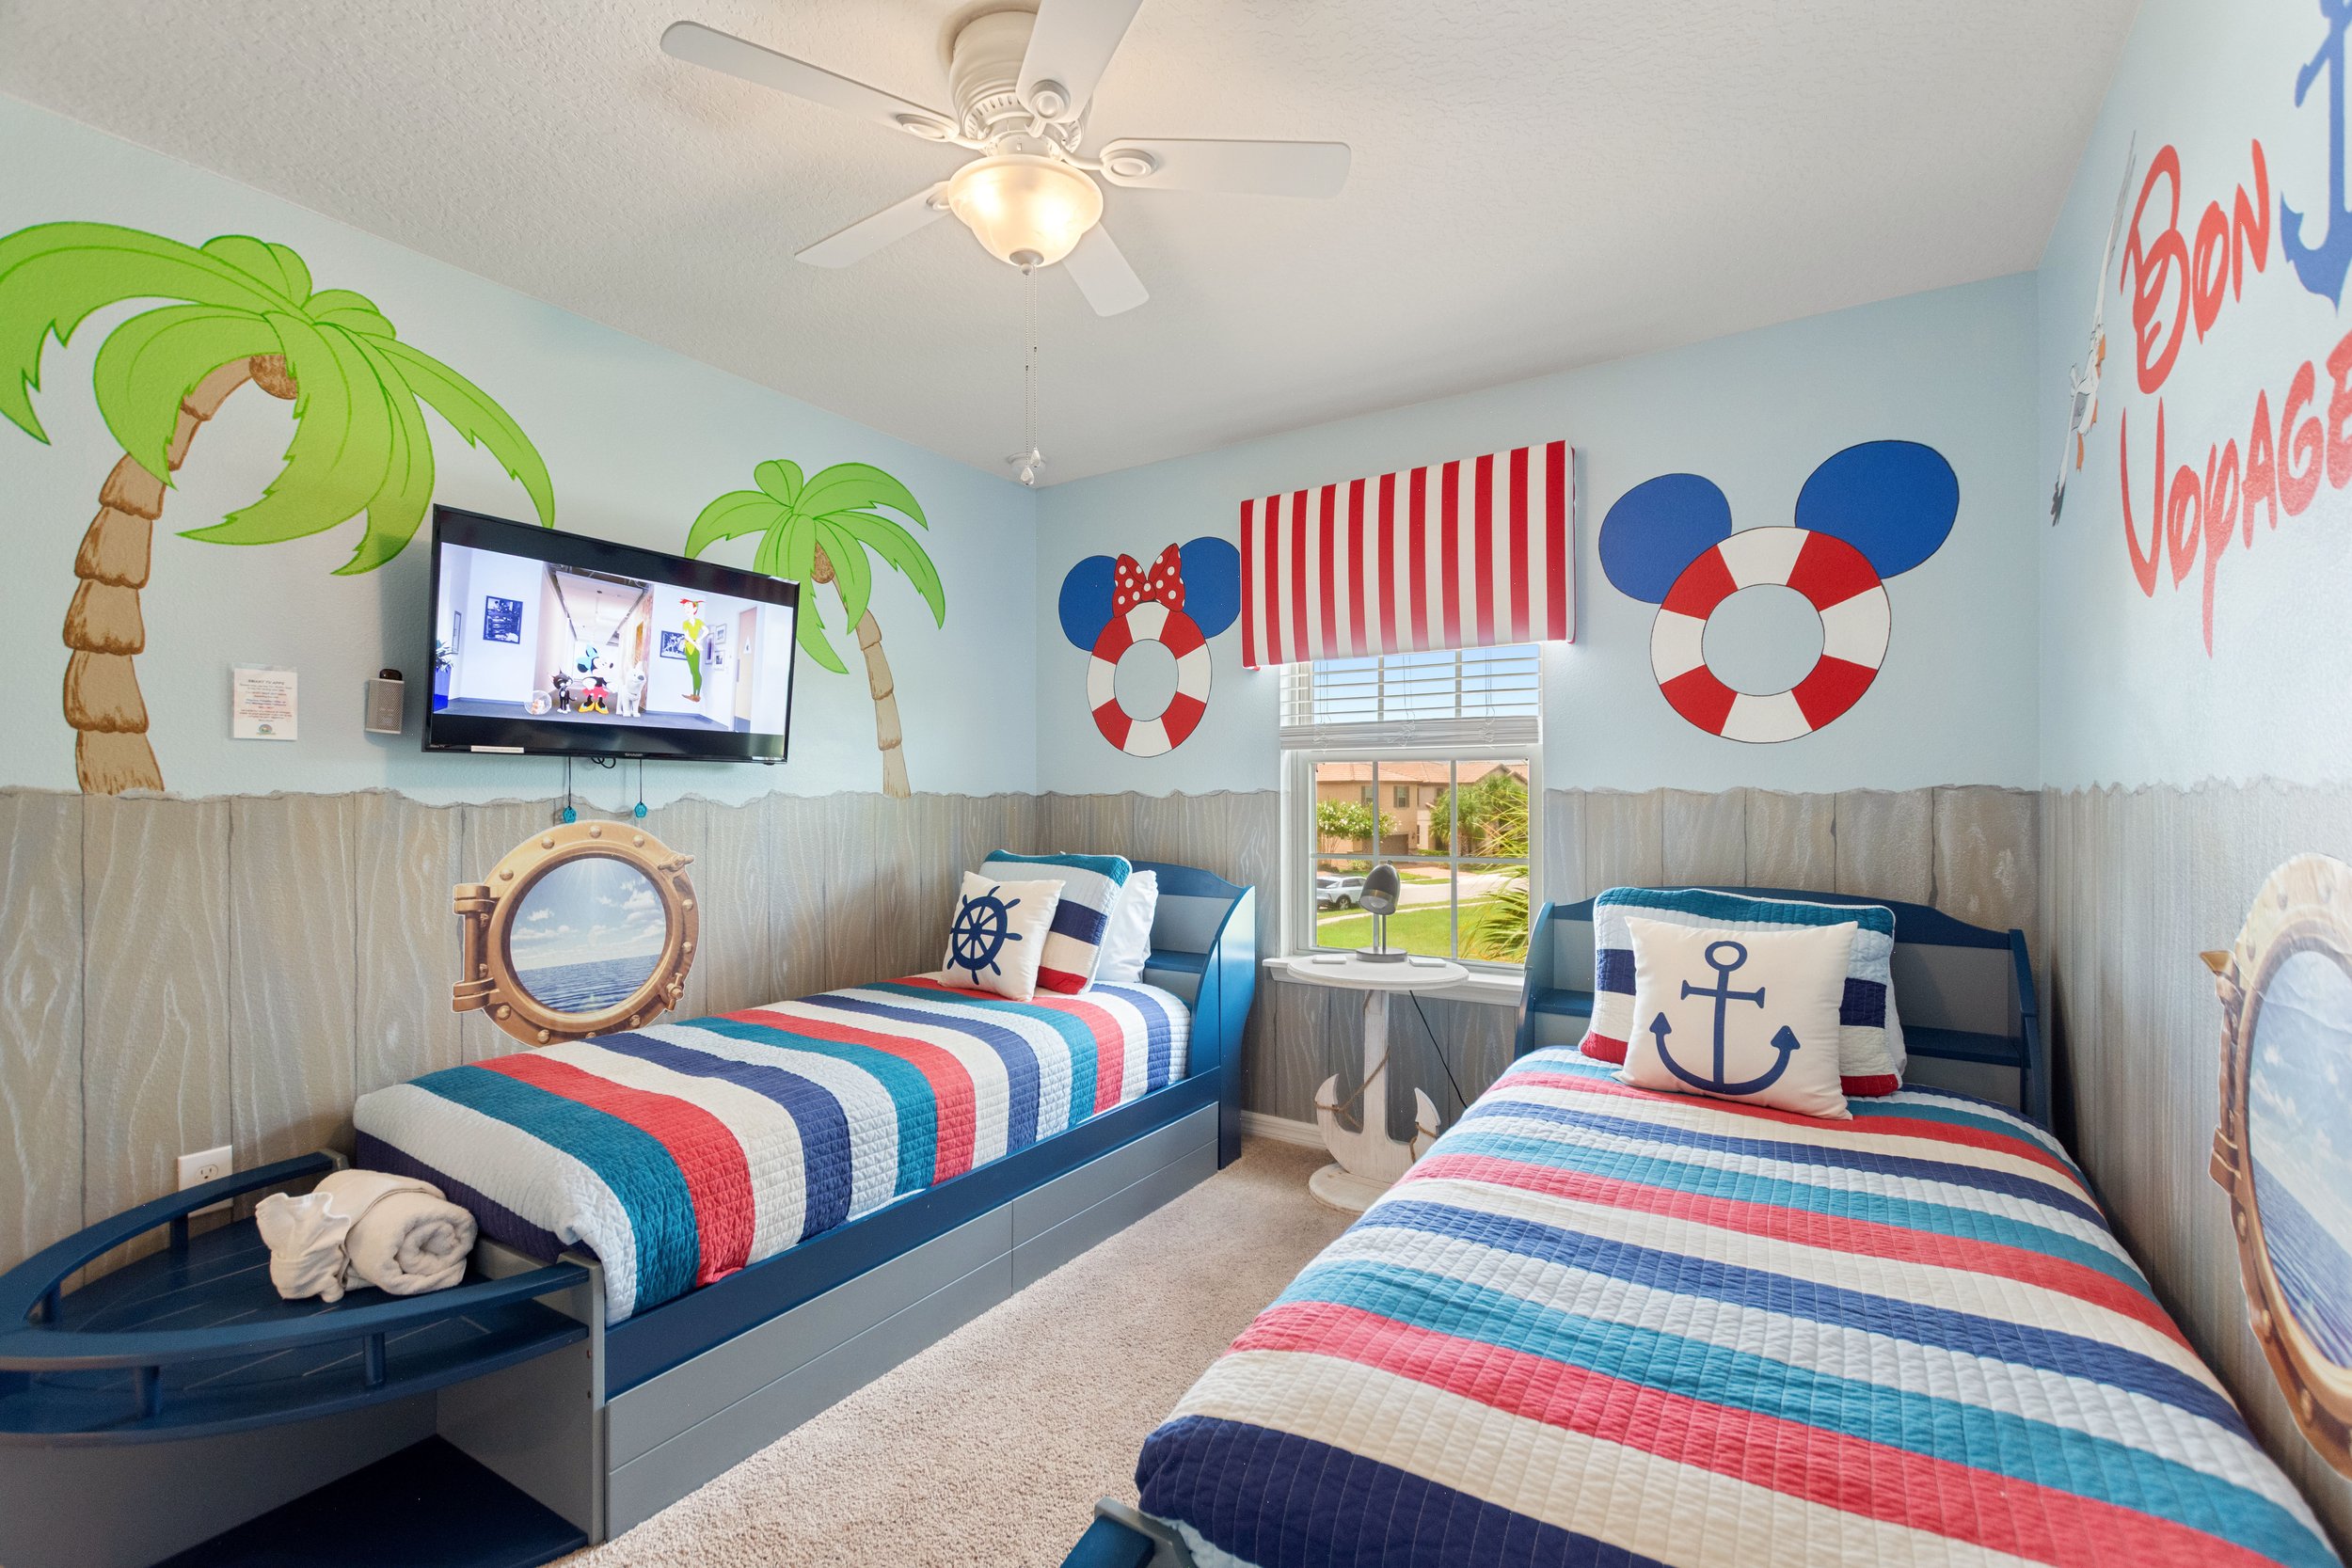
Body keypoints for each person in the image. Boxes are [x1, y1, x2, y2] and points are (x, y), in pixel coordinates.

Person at [679, 598, 708, 703]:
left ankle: (697, 694)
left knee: (696, 671)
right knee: (692, 671)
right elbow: (686, 636)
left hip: (694, 649)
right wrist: (697, 644)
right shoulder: (685, 623)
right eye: (685, 607)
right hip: (689, 647)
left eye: (688, 607)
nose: (686, 609)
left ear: (694, 608)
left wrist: (700, 639)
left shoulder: (699, 622)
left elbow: (706, 631)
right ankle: (695, 695)